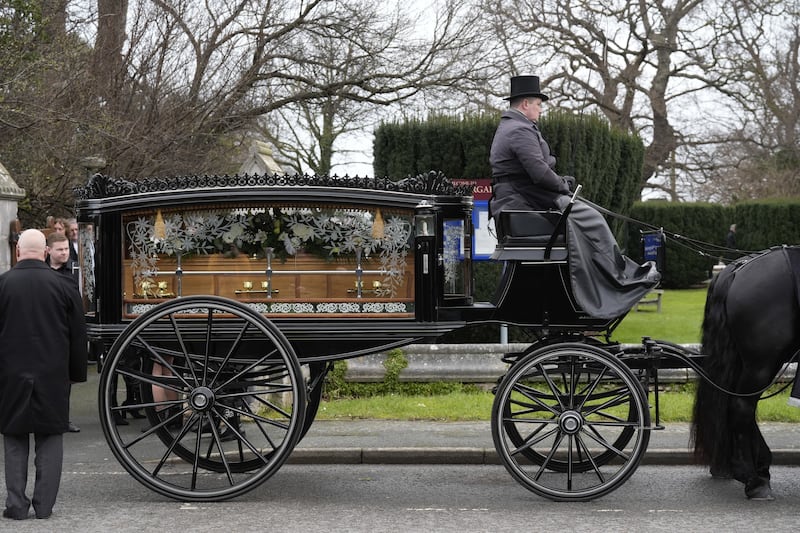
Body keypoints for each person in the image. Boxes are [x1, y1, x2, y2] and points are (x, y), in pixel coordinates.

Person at [489, 74, 660, 318]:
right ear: (525, 103)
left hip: (524, 199)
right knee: (591, 217)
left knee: (589, 214)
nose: (540, 109)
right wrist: (562, 185)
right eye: (538, 104)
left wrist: (560, 183)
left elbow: (536, 170)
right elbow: (539, 172)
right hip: (525, 201)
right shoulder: (518, 130)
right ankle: (618, 277)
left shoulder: (513, 127)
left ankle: (612, 276)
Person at [0, 230, 88, 520]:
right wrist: (75, 373)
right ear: (46, 252)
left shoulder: (3, 284)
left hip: (10, 373)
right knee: (50, 437)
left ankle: (16, 505)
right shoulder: (64, 286)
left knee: (14, 436)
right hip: (53, 373)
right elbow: (78, 336)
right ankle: (44, 506)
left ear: (17, 252)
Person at [45, 232, 81, 433]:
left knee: (65, 381)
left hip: (66, 331)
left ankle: (64, 418)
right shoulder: (42, 272)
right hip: (46, 331)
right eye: (60, 249)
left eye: (66, 248)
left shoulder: (74, 271)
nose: (64, 253)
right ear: (48, 250)